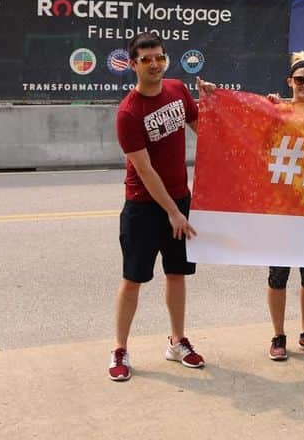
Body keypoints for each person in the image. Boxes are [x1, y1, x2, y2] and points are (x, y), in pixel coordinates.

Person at [110, 32, 213, 382]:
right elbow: (145, 170)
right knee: (133, 279)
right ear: (134, 64)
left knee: (177, 274)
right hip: (144, 208)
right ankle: (120, 349)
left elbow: (205, 130)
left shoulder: (177, 90)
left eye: (159, 57)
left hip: (180, 201)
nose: (154, 64)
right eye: (146, 59)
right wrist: (172, 211)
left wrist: (216, 102)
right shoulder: (128, 112)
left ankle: (177, 341)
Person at [264, 51, 304, 360]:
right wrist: (267, 108)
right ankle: (278, 336)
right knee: (278, 275)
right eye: (300, 79)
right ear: (290, 81)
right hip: (281, 208)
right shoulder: (277, 111)